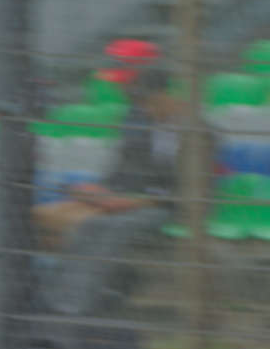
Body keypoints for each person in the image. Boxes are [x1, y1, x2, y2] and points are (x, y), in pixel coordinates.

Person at [34, 64, 182, 249]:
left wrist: (140, 200)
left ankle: (82, 276)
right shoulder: (146, 126)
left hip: (166, 207)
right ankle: (64, 274)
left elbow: (188, 191)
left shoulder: (195, 133)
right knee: (53, 218)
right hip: (134, 199)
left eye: (152, 103)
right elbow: (127, 165)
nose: (148, 110)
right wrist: (102, 189)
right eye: (144, 104)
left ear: (168, 95)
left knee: (104, 227)